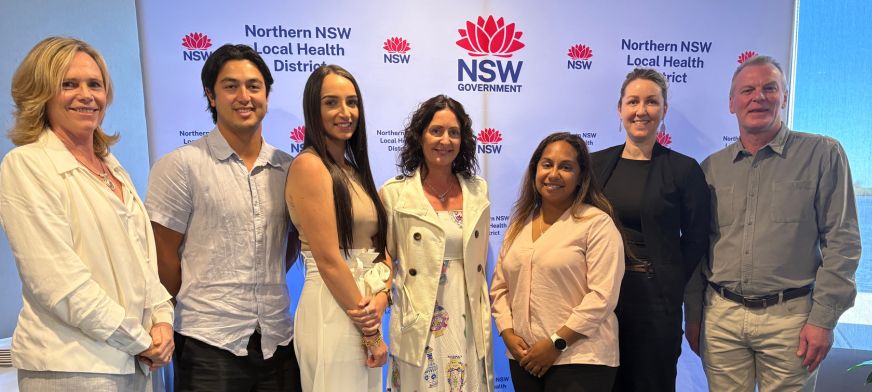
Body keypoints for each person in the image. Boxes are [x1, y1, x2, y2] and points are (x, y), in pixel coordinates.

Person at [0, 36, 173, 391]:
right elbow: (58, 283)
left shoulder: (112, 166)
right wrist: (138, 339)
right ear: (41, 93)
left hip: (135, 364)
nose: (86, 95)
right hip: (73, 370)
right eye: (68, 84)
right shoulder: (26, 164)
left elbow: (143, 264)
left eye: (95, 84)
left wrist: (162, 319)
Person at [684, 55, 860, 391]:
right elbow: (696, 249)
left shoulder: (823, 155)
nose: (759, 97)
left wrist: (823, 320)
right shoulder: (710, 169)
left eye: (770, 88)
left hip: (791, 319)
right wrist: (693, 314)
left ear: (784, 97)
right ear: (732, 103)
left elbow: (843, 242)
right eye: (747, 90)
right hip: (721, 318)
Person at [146, 44, 301, 391]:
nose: (244, 96)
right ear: (211, 95)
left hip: (277, 340)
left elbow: (288, 248)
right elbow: (162, 256)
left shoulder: (288, 168)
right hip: (207, 344)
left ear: (267, 95)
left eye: (254, 86)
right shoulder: (181, 165)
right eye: (231, 86)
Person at [590, 68, 710, 392]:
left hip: (655, 305)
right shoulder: (595, 165)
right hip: (601, 300)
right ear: (620, 109)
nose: (641, 110)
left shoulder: (684, 170)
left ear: (664, 110)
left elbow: (697, 238)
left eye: (651, 102)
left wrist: (669, 280)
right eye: (633, 101)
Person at [491, 132, 625, 392]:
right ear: (535, 170)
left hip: (581, 359)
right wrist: (507, 333)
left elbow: (603, 296)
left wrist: (557, 343)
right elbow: (500, 288)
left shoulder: (596, 224)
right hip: (524, 358)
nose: (553, 174)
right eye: (547, 164)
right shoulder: (519, 225)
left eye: (566, 167)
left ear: (581, 177)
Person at [285, 64, 389, 391]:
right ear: (313, 110)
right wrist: (371, 335)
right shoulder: (309, 166)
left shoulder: (355, 171)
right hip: (333, 307)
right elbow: (329, 261)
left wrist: (382, 297)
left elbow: (381, 248)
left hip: (363, 308)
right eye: (331, 102)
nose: (345, 112)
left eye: (352, 102)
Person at [381, 95, 493, 391]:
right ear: (420, 136)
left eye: (454, 132)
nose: (445, 140)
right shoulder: (395, 194)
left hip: (466, 313)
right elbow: (386, 257)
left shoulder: (477, 190)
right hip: (419, 316)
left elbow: (480, 258)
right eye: (436, 131)